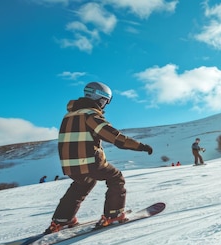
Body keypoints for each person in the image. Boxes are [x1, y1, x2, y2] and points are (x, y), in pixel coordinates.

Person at [45, 82, 153, 234]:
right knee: (116, 178)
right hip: (90, 162)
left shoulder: (68, 116)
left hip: (70, 165)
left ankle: (62, 220)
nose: (104, 106)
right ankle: (113, 214)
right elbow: (114, 136)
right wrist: (140, 146)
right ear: (99, 99)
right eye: (104, 101)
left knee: (82, 183)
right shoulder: (90, 115)